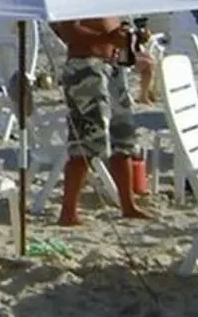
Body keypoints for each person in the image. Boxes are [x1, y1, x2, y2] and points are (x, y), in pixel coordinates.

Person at [52, 17, 151, 224]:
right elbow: (69, 32)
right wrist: (107, 37)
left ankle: (127, 204)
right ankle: (68, 211)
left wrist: (129, 34)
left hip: (114, 64)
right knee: (86, 141)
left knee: (123, 137)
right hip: (86, 66)